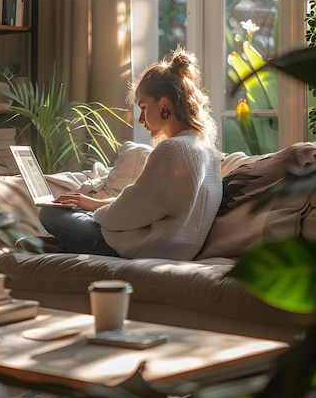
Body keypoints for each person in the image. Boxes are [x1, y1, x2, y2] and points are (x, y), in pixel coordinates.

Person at [39, 47, 223, 260]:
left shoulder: (172, 149)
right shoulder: (206, 150)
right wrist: (93, 204)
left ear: (164, 103)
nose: (141, 120)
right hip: (178, 249)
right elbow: (143, 205)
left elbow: (123, 216)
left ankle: (57, 244)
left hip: (150, 248)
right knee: (78, 210)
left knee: (51, 213)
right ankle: (55, 247)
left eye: (144, 107)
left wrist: (94, 211)